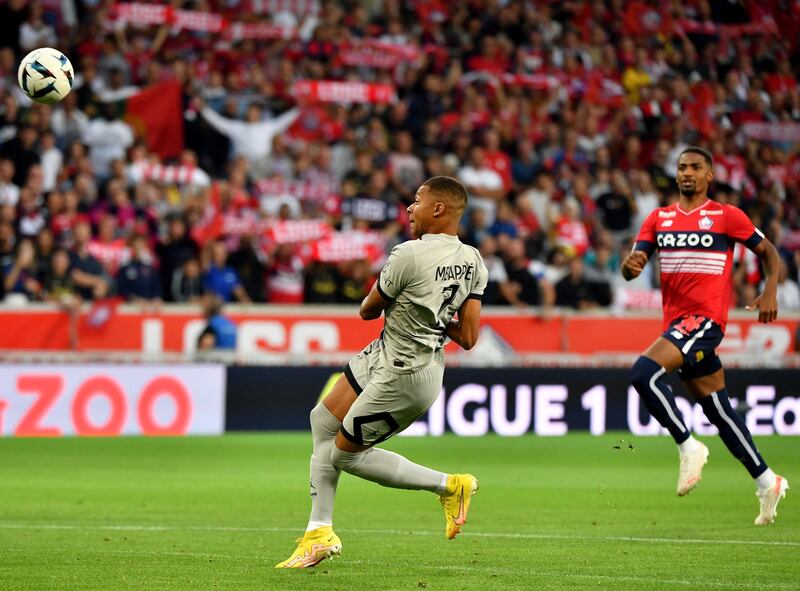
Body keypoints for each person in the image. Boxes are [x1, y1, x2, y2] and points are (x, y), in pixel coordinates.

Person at [276, 176, 488, 568]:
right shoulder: (474, 260)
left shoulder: (407, 254)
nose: (410, 208)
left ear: (438, 209)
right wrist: (436, 317)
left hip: (405, 373)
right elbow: (470, 336)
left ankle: (450, 486)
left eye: (417, 201)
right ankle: (318, 533)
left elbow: (367, 310)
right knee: (322, 420)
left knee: (344, 456)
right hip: (387, 354)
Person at [621, 147, 788, 525]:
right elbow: (634, 266)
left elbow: (769, 251)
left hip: (705, 322)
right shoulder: (658, 219)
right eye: (682, 167)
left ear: (709, 175)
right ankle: (767, 481)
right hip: (677, 325)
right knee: (720, 412)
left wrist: (771, 287)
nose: (687, 173)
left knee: (642, 374)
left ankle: (687, 445)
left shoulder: (727, 216)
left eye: (696, 167)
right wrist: (629, 267)